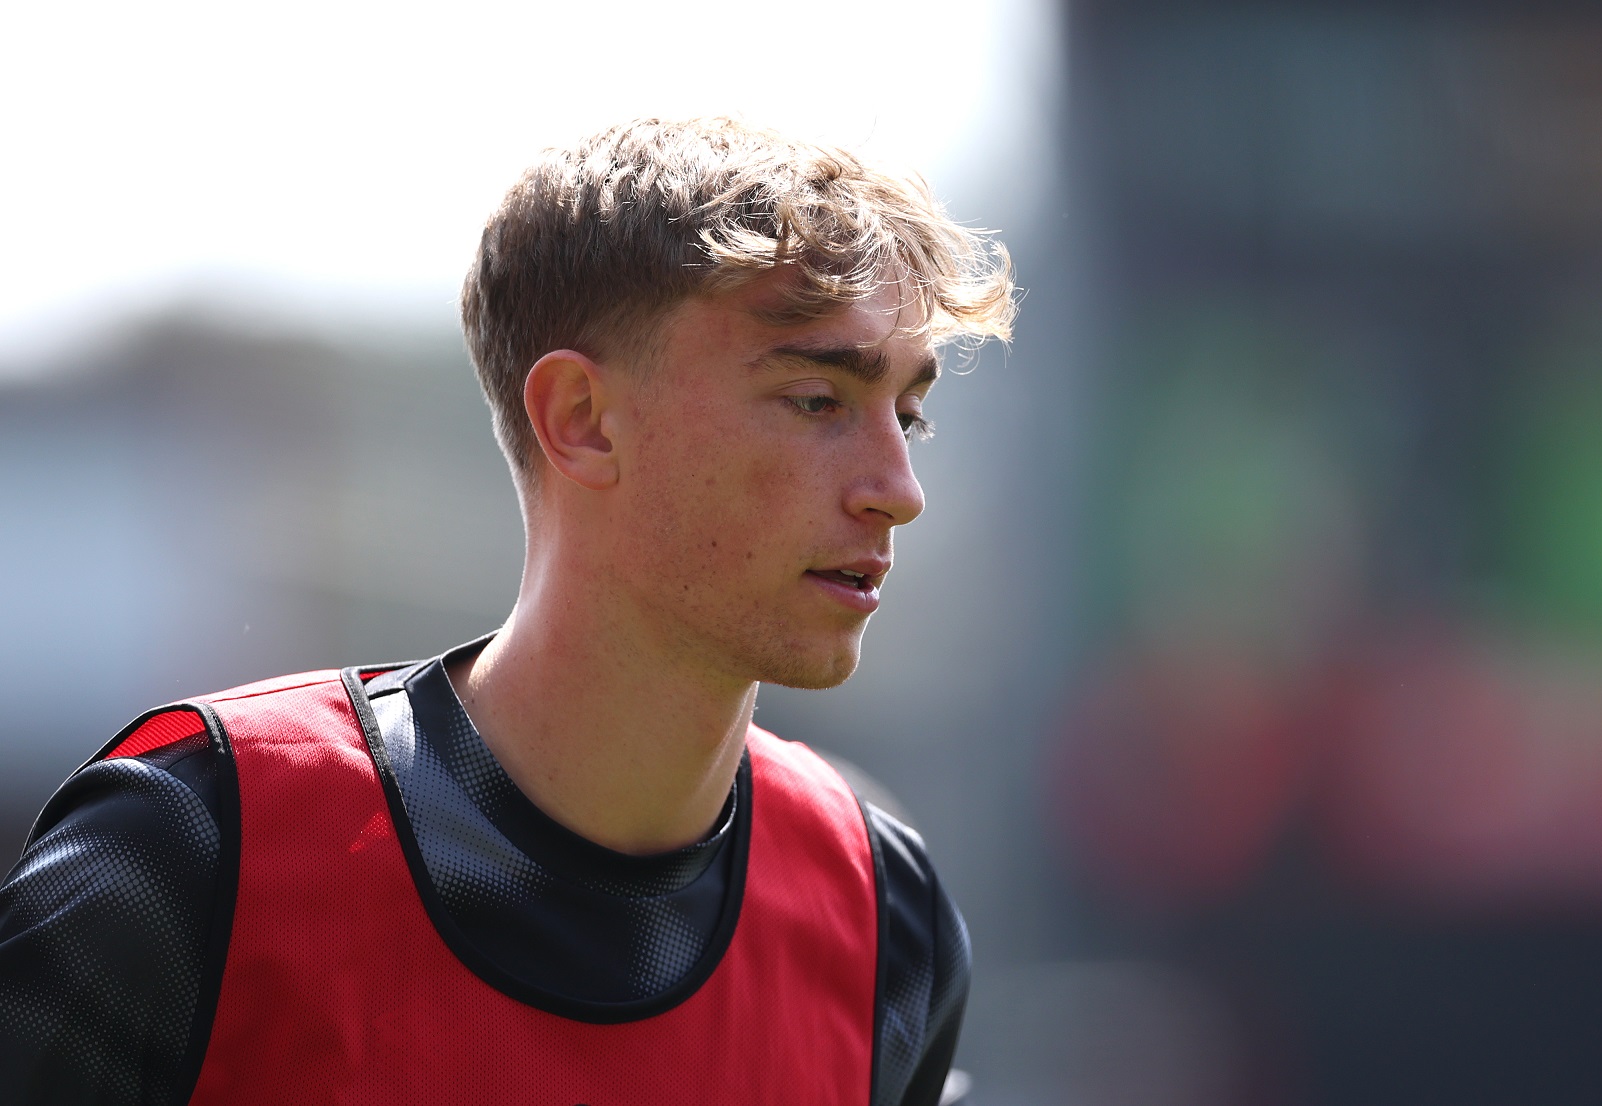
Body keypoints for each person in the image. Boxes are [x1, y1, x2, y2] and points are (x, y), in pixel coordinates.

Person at [0, 117, 1016, 1105]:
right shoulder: (197, 849)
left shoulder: (883, 915)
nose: (897, 486)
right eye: (816, 400)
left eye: (909, 412)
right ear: (580, 421)